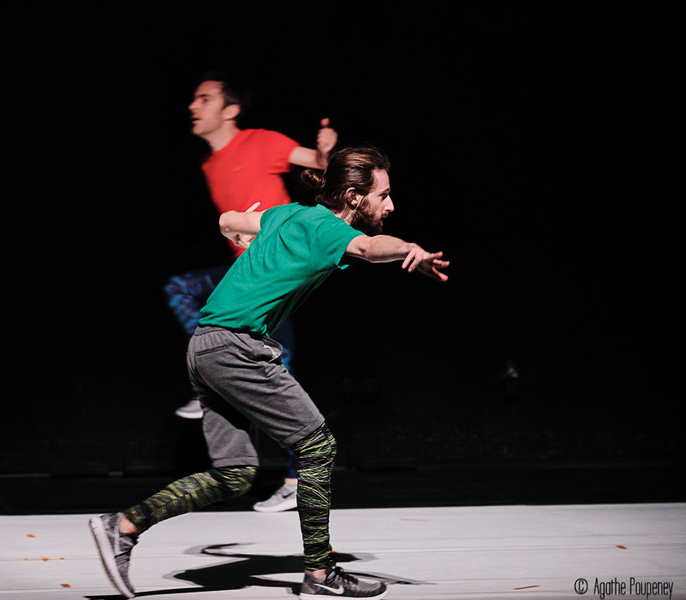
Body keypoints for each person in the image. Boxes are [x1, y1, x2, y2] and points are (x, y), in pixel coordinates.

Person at [90, 146, 449, 599]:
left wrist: (239, 232)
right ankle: (320, 574)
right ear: (354, 197)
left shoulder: (288, 215)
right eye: (384, 195)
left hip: (205, 345)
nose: (391, 205)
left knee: (234, 473)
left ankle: (122, 526)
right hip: (237, 349)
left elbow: (228, 220)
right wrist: (409, 249)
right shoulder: (327, 228)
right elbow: (368, 247)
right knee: (318, 446)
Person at [165, 72, 336, 512]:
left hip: (278, 273)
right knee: (182, 289)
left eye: (204, 99)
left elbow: (318, 162)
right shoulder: (210, 164)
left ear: (231, 110)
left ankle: (297, 478)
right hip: (246, 276)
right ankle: (216, 373)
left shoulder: (261, 142)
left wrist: (326, 149)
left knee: (279, 371)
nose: (193, 106)